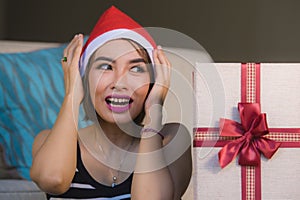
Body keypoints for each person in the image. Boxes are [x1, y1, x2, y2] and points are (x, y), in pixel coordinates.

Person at [30, 6, 192, 200]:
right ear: (85, 78)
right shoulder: (48, 140)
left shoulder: (171, 139)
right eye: (106, 66)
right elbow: (52, 180)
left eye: (136, 69)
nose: (119, 83)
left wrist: (154, 111)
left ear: (153, 81)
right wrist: (72, 94)